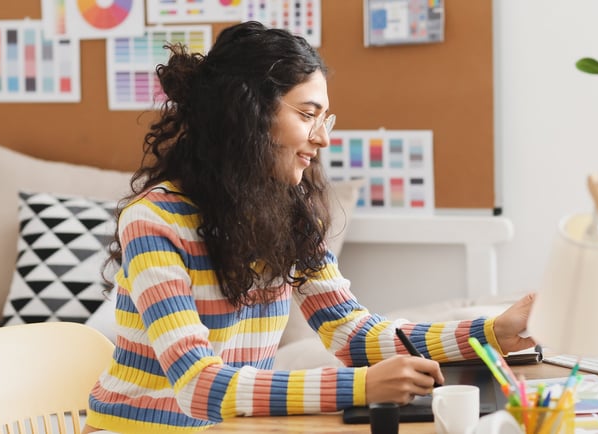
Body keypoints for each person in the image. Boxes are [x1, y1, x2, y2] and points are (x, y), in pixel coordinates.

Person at [83, 21, 535, 434]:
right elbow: (199, 386)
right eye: (307, 115)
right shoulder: (153, 220)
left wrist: (489, 332)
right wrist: (359, 388)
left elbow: (352, 335)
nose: (322, 138)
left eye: (325, 119)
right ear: (247, 115)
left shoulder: (287, 214)